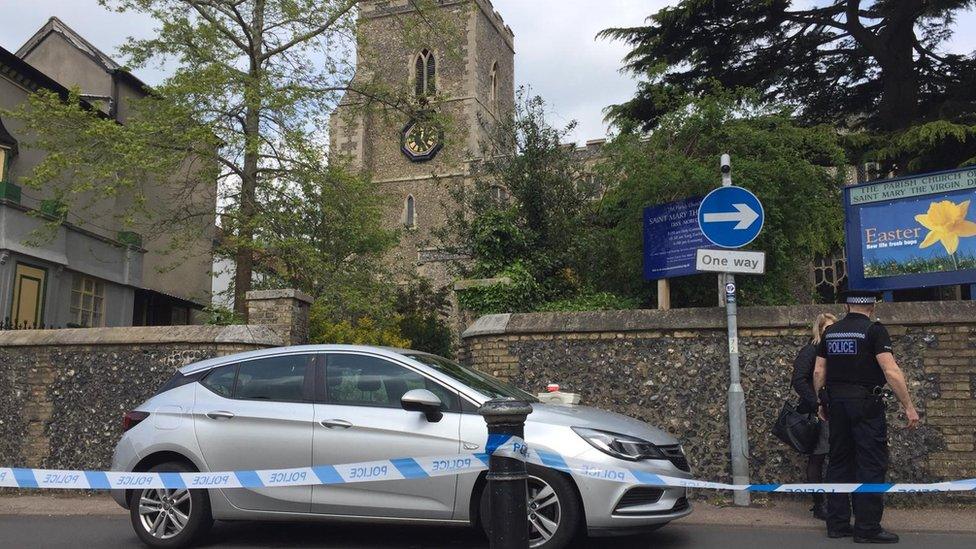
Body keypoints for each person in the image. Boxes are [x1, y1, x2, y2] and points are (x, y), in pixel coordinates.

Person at [813, 290, 920, 544]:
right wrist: (908, 405)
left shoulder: (831, 332)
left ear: (847, 306)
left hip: (836, 404)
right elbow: (890, 370)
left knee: (838, 462)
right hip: (865, 405)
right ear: (872, 306)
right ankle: (867, 527)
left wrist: (820, 401)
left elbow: (819, 371)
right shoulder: (874, 331)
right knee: (871, 463)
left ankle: (837, 524)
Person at [791, 312, 836, 520]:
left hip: (837, 410)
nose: (831, 332)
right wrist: (817, 402)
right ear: (819, 330)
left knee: (837, 458)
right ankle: (819, 505)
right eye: (827, 328)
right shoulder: (810, 350)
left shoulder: (835, 351)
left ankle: (836, 503)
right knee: (817, 458)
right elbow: (799, 380)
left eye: (834, 327)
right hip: (818, 413)